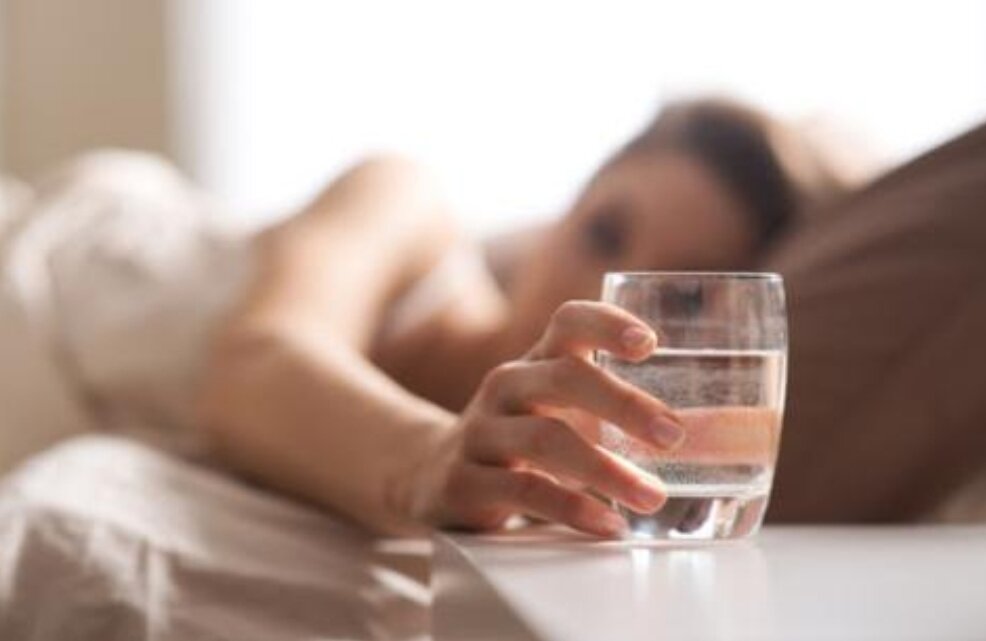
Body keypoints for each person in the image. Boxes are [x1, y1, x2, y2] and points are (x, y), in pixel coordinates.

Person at [195, 98, 852, 536]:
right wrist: (425, 460)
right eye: (602, 233)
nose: (604, 299)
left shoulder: (568, 501)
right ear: (560, 215)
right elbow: (252, 367)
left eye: (677, 298)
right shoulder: (408, 205)